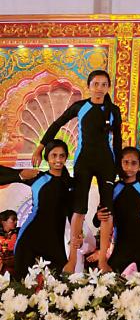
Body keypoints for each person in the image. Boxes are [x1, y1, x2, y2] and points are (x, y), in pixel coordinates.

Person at [34, 70, 120, 272]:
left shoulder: (113, 110)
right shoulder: (80, 107)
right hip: (84, 162)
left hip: (106, 163)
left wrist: (117, 169)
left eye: (104, 84)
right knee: (79, 209)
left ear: (108, 87)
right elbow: (57, 124)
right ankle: (72, 260)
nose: (99, 88)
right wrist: (40, 147)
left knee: (107, 211)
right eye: (96, 84)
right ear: (89, 86)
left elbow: (118, 141)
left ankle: (102, 261)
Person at [1, 140, 76, 279]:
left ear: (66, 158)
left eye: (62, 155)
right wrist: (19, 175)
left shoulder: (71, 184)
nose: (58, 159)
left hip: (55, 241)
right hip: (29, 236)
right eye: (54, 155)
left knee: (61, 285)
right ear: (47, 157)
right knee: (22, 285)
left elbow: (74, 214)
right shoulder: (37, 177)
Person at [96, 147, 140, 272]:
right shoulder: (113, 188)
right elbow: (97, 220)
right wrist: (98, 215)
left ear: (139, 166)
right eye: (126, 162)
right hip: (121, 246)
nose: (129, 167)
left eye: (133, 163)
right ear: (120, 164)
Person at [0, 210, 18, 276]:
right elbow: (10, 247)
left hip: (14, 271)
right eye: (13, 220)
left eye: (17, 220)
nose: (16, 222)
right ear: (3, 221)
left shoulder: (17, 233)